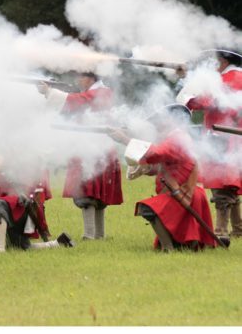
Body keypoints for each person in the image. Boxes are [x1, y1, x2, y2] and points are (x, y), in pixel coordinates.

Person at [108, 104, 217, 251]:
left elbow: (157, 154)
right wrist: (145, 169)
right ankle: (179, 245)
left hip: (182, 192)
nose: (158, 122)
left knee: (147, 208)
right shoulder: (175, 136)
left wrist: (125, 140)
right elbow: (165, 163)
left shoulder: (177, 137)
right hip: (180, 190)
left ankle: (168, 248)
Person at [38, 72, 123, 239]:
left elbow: (75, 101)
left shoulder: (99, 93)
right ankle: (98, 235)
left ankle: (90, 235)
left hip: (91, 149)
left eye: (82, 76)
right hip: (97, 148)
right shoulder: (100, 92)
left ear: (91, 78)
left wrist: (49, 92)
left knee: (88, 193)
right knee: (96, 194)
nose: (78, 79)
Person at [176, 50, 242, 238]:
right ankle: (238, 229)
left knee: (221, 186)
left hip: (222, 137)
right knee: (231, 184)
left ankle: (221, 232)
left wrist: (186, 84)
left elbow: (203, 102)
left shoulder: (227, 79)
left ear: (223, 61)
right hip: (234, 138)